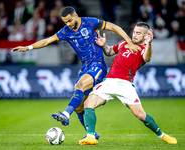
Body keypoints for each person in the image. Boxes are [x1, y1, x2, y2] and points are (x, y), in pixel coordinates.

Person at [11, 6, 140, 139]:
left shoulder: (90, 22)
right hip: (85, 67)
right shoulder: (66, 31)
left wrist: (129, 41)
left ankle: (66, 113)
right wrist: (28, 47)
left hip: (98, 65)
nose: (68, 24)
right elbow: (47, 41)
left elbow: (113, 27)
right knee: (79, 108)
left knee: (79, 86)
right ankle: (92, 135)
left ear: (76, 16)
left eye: (69, 20)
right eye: (65, 22)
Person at [78, 22, 177, 145]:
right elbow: (109, 52)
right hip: (109, 82)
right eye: (134, 31)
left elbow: (147, 58)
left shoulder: (143, 49)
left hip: (125, 85)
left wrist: (149, 43)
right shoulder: (124, 43)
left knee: (141, 115)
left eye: (138, 33)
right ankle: (90, 137)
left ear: (145, 36)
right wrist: (104, 46)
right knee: (88, 104)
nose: (134, 35)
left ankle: (162, 135)